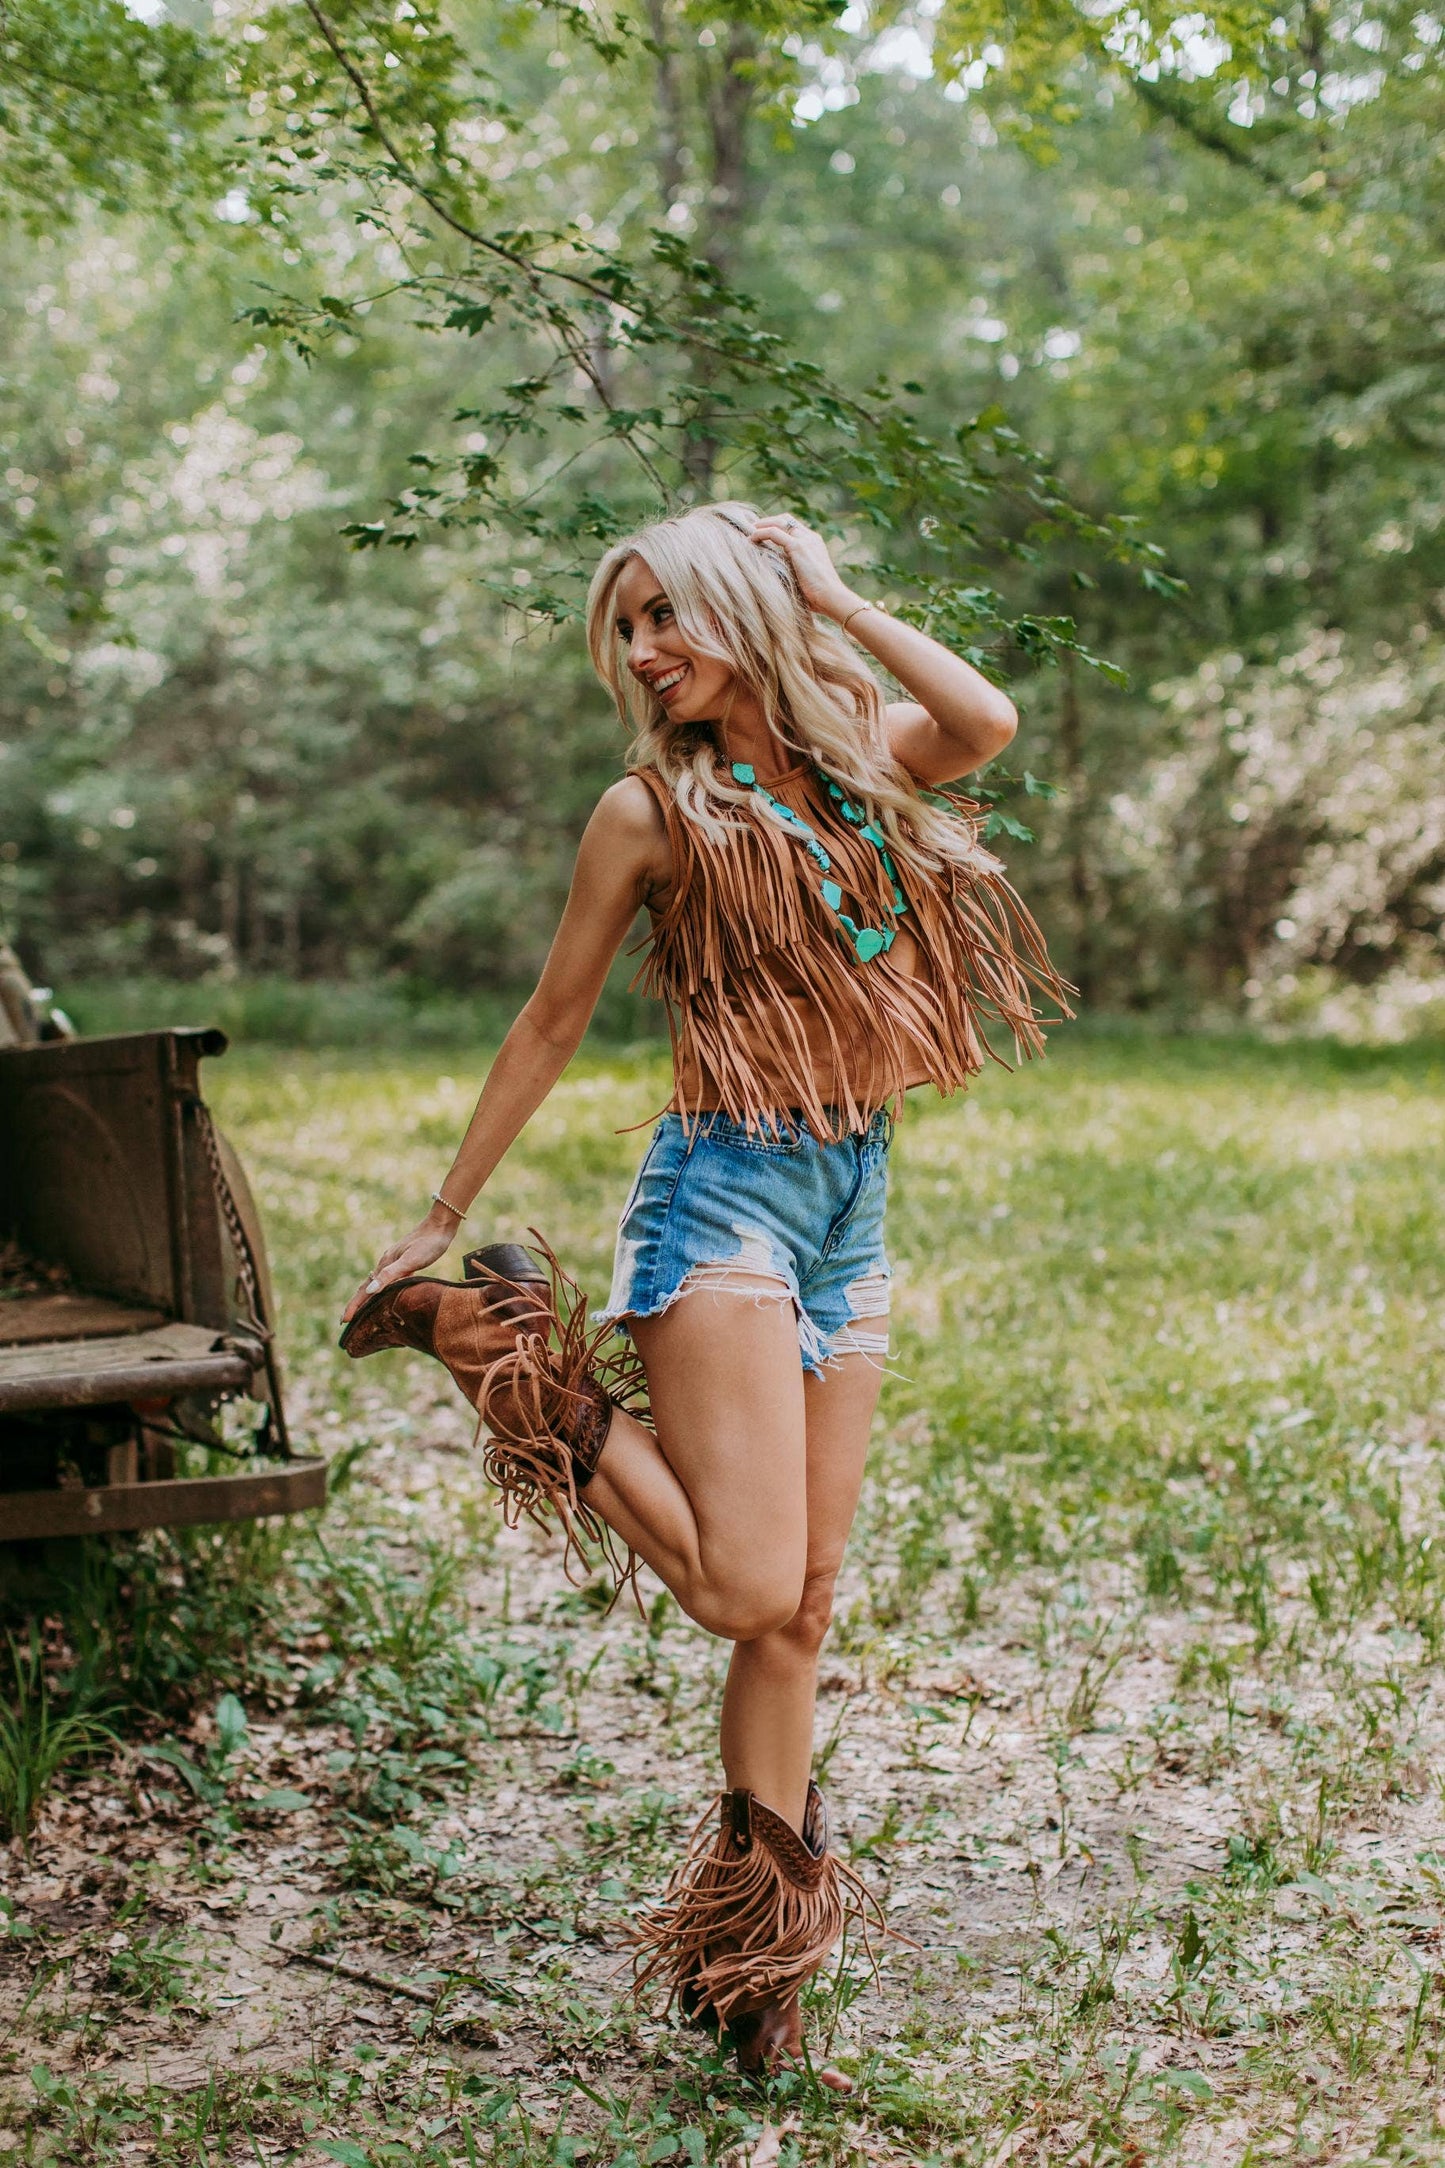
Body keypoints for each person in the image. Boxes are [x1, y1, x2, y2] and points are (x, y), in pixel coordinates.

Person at [339, 504, 1068, 2083]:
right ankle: (491, 1341)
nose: (645, 650)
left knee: (796, 1610)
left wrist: (828, 593)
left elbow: (984, 721)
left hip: (848, 1203)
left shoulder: (866, 760)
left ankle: (757, 1958)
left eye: (669, 614)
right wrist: (440, 1217)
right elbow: (548, 1023)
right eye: (629, 628)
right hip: (721, 1194)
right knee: (742, 1587)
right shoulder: (646, 811)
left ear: (747, 604)